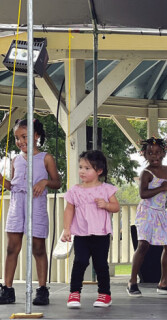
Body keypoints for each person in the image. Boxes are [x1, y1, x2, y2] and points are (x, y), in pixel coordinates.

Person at [0, 118, 61, 305]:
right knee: (12, 248)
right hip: (17, 205)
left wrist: (45, 182)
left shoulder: (46, 158)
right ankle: (7, 289)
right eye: (17, 138)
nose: (20, 141)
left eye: (24, 136)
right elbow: (12, 185)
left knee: (38, 248)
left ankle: (42, 290)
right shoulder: (15, 159)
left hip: (36, 205)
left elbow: (57, 182)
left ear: (36, 135)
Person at [62, 150, 119, 308]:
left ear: (99, 171)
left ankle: (105, 294)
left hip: (101, 234)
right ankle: (74, 293)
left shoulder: (106, 189)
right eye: (81, 167)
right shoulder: (75, 190)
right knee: (80, 261)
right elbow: (69, 210)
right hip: (81, 233)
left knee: (100, 264)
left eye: (87, 168)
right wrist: (67, 229)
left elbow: (116, 207)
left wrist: (106, 205)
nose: (82, 171)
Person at [127, 137, 167, 296]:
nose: (154, 156)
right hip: (147, 212)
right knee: (143, 245)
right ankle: (132, 282)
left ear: (164, 153)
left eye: (157, 153)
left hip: (161, 212)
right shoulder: (146, 173)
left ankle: (164, 283)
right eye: (150, 153)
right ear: (144, 155)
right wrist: (161, 187)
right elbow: (143, 194)